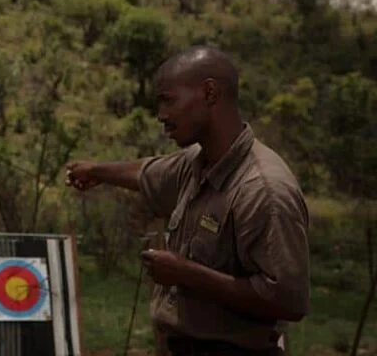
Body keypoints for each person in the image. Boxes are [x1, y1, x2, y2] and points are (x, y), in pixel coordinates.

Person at [65, 46, 310, 356]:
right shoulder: (196, 162)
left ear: (209, 93)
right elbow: (147, 172)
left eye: (168, 100)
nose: (161, 116)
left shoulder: (263, 189)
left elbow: (288, 301)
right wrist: (96, 171)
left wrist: (186, 274)